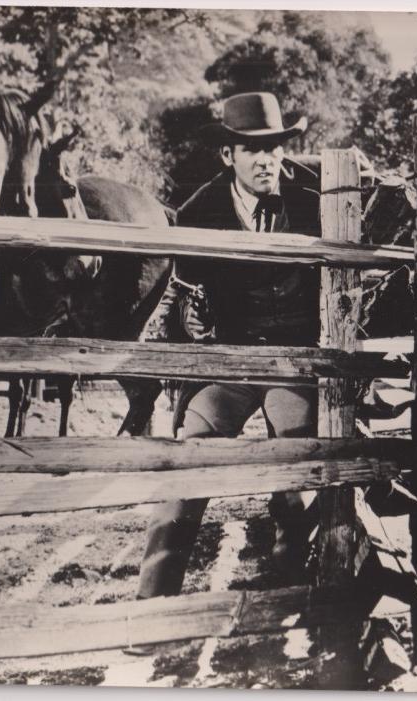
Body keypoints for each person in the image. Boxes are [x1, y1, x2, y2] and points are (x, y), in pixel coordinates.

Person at [137, 92, 322, 598]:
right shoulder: (200, 211)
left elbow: (345, 292)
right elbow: (182, 291)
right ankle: (153, 598)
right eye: (251, 149)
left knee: (297, 451)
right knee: (190, 457)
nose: (267, 160)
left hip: (294, 360)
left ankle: (291, 580)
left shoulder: (316, 202)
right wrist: (191, 321)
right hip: (231, 362)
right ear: (228, 156)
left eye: (275, 148)